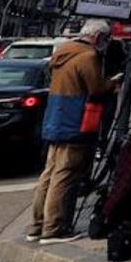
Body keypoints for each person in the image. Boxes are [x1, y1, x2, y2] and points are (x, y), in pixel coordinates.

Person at [29, 18, 114, 244]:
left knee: (49, 173)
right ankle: (53, 228)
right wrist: (113, 82)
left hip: (56, 117)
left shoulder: (63, 51)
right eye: (105, 39)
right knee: (64, 175)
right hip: (75, 120)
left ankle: (37, 225)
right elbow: (96, 88)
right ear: (98, 37)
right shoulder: (88, 57)